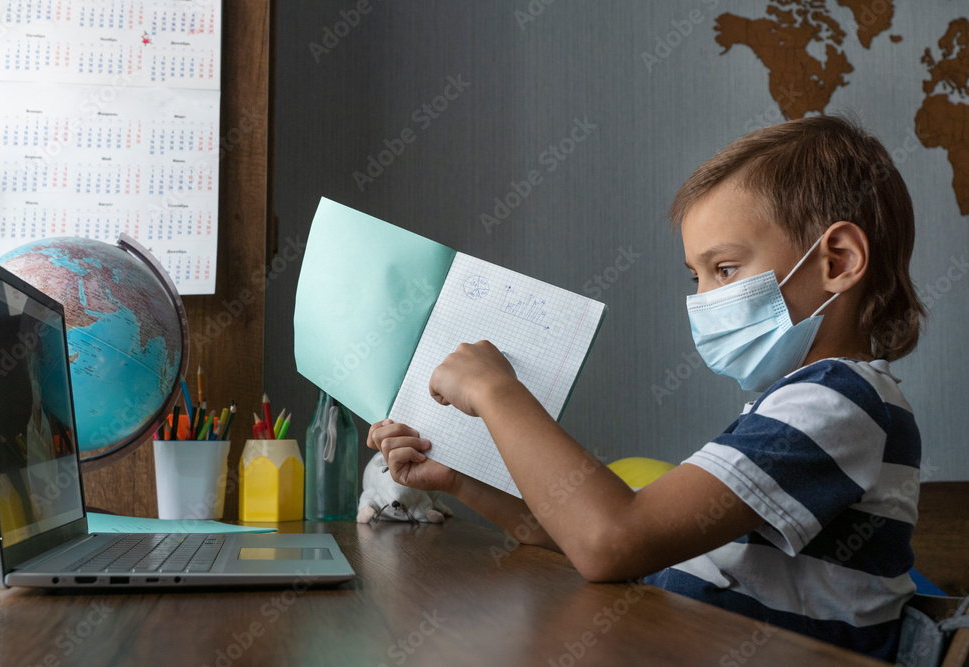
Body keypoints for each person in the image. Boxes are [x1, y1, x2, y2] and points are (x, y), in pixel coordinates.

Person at [367, 115, 925, 660]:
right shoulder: (799, 403)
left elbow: (611, 540)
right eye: (695, 277)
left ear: (838, 260)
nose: (704, 299)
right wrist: (460, 482)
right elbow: (575, 527)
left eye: (725, 269)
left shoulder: (837, 401)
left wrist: (497, 392)